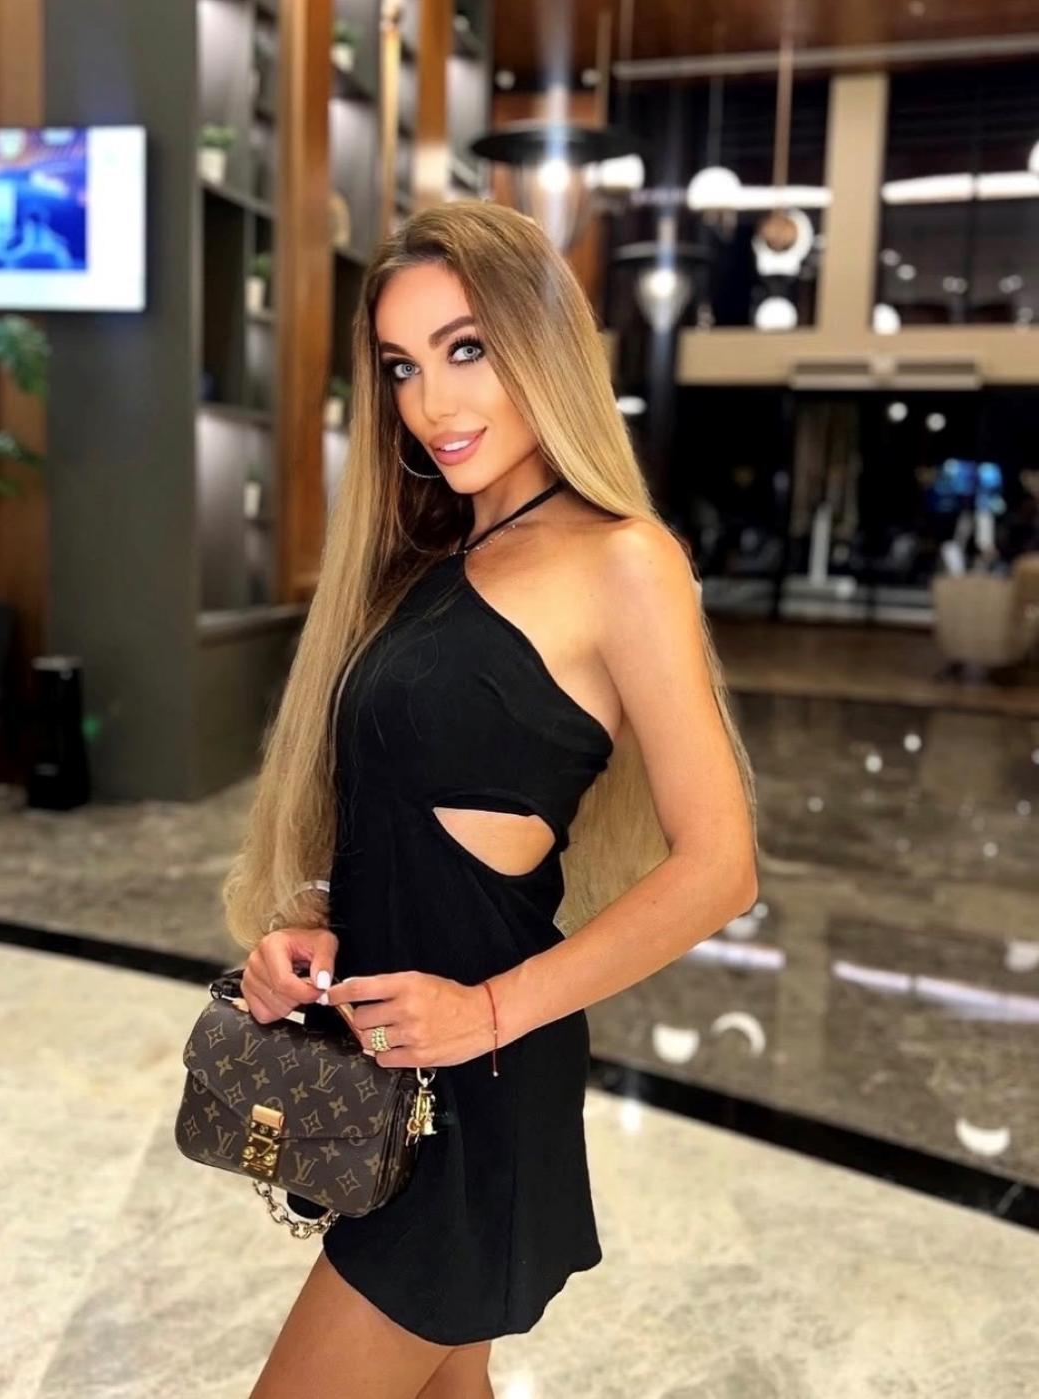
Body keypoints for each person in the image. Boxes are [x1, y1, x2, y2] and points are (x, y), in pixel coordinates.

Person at [223, 200, 759, 1399]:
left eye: (465, 348)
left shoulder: (623, 560)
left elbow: (721, 865)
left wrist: (488, 1012)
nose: (432, 401)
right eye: (402, 366)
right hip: (390, 1079)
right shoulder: (428, 561)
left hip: (481, 1092)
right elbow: (396, 809)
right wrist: (307, 921)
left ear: (541, 343)